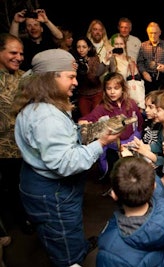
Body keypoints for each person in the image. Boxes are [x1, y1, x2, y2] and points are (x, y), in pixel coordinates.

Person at [12, 49, 121, 266]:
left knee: (63, 232)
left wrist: (84, 132)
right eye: (70, 76)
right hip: (53, 192)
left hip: (39, 183)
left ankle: (77, 248)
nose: (75, 82)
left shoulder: (42, 104)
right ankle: (72, 257)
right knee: (63, 240)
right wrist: (101, 143)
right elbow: (66, 163)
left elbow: (56, 141)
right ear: (51, 78)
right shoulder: (46, 116)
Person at [96, 156, 164, 267]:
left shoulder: (110, 251)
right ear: (154, 186)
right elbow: (156, 187)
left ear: (113, 194)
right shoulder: (162, 206)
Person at [78, 72, 144, 179]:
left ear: (123, 89)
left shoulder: (131, 103)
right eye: (109, 88)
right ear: (104, 90)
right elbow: (87, 119)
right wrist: (84, 123)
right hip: (114, 146)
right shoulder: (102, 107)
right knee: (117, 173)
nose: (112, 92)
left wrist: (138, 137)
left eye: (116, 88)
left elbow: (140, 122)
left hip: (131, 142)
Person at [0, 33, 33, 239]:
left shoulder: (25, 77)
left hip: (20, 147)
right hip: (1, 146)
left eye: (21, 53)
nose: (19, 57)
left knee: (17, 186)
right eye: (13, 52)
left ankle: (23, 219)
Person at [137, 22, 164, 94]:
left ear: (160, 33)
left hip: (163, 79)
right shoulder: (143, 45)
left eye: (155, 33)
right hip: (148, 78)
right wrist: (144, 72)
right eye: (150, 33)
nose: (153, 35)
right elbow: (140, 62)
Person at [73, 36, 108, 118]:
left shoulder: (94, 59)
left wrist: (87, 70)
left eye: (84, 47)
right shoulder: (74, 60)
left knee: (96, 117)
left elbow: (94, 80)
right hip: (82, 94)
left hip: (96, 93)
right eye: (78, 47)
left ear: (89, 48)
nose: (81, 50)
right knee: (86, 118)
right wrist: (73, 70)